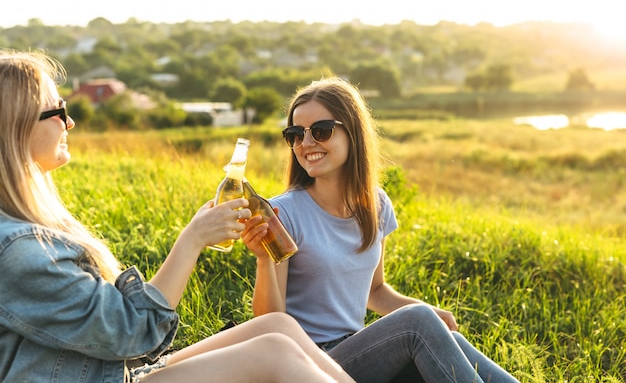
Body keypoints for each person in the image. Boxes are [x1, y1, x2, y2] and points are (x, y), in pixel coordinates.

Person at [0, 50, 357, 383]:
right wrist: (193, 238)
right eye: (58, 111)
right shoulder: (19, 251)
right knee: (275, 353)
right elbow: (135, 331)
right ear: (17, 127)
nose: (70, 122)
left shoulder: (24, 230)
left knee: (277, 327)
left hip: (108, 369)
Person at [242, 77, 520, 383]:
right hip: (306, 361)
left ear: (354, 133)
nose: (306, 144)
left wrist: (430, 314)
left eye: (321, 131)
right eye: (295, 134)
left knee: (442, 335)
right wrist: (264, 259)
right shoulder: (284, 213)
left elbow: (375, 291)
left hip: (358, 351)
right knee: (418, 323)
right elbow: (269, 324)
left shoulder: (375, 204)